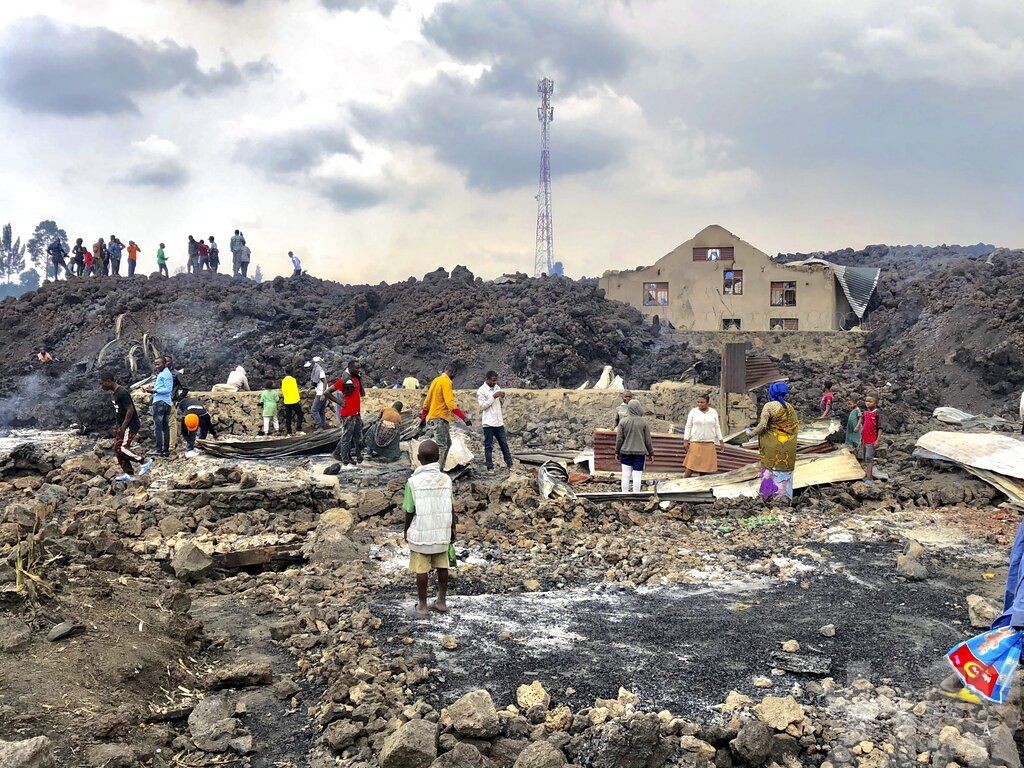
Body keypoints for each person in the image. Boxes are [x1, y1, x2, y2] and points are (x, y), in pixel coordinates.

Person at [403, 439, 456, 617]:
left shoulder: (413, 482)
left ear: (418, 458)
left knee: (421, 569)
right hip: (442, 530)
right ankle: (441, 601)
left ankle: (423, 606)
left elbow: (410, 510)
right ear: (439, 457)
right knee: (443, 566)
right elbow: (451, 506)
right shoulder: (446, 480)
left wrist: (406, 529)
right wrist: (453, 528)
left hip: (421, 533)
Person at [746, 382, 800, 502]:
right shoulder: (790, 407)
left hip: (772, 446)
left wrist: (751, 434)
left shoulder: (769, 406)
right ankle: (784, 499)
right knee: (784, 472)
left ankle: (768, 497)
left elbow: (763, 425)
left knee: (770, 470)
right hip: (787, 447)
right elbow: (794, 426)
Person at [100, 371, 151, 481]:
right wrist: (117, 425)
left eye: (102, 383)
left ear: (109, 381)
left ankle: (144, 461)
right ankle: (129, 474)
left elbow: (130, 410)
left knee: (123, 448)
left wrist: (123, 426)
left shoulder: (122, 392)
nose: (101, 386)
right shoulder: (115, 393)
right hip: (122, 425)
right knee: (117, 449)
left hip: (130, 425)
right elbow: (120, 411)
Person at [420, 362, 471, 472]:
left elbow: (427, 402)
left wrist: (423, 418)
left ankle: (440, 468)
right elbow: (450, 403)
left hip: (435, 417)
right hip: (440, 418)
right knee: (442, 446)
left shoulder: (436, 380)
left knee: (448, 443)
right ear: (452, 372)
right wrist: (464, 417)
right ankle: (437, 471)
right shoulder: (446, 381)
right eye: (454, 374)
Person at [327, 361, 366, 465]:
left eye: (359, 368)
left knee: (357, 436)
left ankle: (354, 456)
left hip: (355, 413)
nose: (359, 370)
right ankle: (345, 459)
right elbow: (327, 392)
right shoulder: (344, 381)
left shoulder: (356, 379)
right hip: (348, 414)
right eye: (356, 368)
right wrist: (340, 402)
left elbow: (357, 397)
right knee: (347, 438)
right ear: (350, 368)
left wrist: (359, 415)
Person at [477, 370, 513, 474]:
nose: (495, 383)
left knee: (504, 444)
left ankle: (509, 465)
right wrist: (493, 397)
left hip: (498, 422)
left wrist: (502, 396)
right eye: (493, 381)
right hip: (488, 423)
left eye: (496, 380)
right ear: (487, 379)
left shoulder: (497, 387)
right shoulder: (481, 390)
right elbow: (482, 406)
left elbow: (500, 402)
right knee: (488, 446)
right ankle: (490, 468)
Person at [615, 400, 654, 492]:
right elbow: (648, 440)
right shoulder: (643, 423)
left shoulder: (623, 422)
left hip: (625, 452)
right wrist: (651, 453)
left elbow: (619, 439)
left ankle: (624, 496)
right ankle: (636, 496)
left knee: (625, 475)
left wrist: (617, 451)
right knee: (637, 475)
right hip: (640, 453)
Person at [682, 393, 724, 477]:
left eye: (702, 402)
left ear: (708, 402)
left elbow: (717, 427)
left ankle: (701, 487)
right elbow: (688, 426)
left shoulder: (713, 412)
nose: (700, 404)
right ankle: (683, 484)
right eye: (698, 402)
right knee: (690, 467)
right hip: (695, 442)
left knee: (704, 469)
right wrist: (686, 440)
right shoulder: (693, 412)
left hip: (708, 444)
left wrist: (721, 441)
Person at [144, 356, 174, 457]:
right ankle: (165, 450)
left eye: (158, 364)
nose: (156, 366)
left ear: (165, 363)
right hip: (166, 402)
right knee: (165, 427)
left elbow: (168, 389)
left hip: (160, 402)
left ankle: (159, 450)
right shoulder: (165, 373)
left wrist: (153, 391)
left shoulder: (165, 374)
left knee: (158, 427)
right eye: (155, 364)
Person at [176, 392, 216, 458]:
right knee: (192, 432)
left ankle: (201, 443)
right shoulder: (185, 417)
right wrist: (190, 442)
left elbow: (209, 425)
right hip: (182, 404)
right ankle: (190, 449)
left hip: (196, 407)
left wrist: (214, 434)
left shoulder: (204, 415)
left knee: (204, 427)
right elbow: (184, 432)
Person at [855, 392, 882, 484]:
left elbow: (880, 428)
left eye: (870, 401)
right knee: (865, 458)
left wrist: (877, 441)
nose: (867, 403)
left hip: (872, 440)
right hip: (865, 440)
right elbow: (863, 425)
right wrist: (860, 439)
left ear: (876, 402)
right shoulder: (865, 413)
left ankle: (869, 478)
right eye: (866, 401)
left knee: (869, 458)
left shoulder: (877, 413)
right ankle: (867, 475)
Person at [306, 357, 328, 429]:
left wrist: (323, 394)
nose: (308, 368)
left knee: (314, 410)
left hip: (321, 392)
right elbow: (317, 382)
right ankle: (322, 426)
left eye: (309, 366)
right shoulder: (315, 370)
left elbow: (325, 382)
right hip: (321, 391)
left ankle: (319, 426)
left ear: (312, 364)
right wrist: (311, 388)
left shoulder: (319, 370)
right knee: (321, 410)